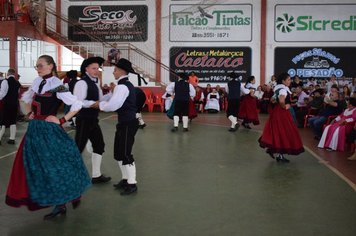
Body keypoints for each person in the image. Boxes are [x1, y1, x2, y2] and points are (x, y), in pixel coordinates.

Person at [5, 55, 91, 219]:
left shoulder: (57, 85)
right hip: (34, 129)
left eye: (40, 65)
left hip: (49, 130)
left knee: (53, 166)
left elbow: (77, 104)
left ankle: (61, 203)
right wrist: (29, 113)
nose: (38, 68)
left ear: (51, 66)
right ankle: (56, 202)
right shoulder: (37, 82)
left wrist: (62, 120)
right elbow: (25, 98)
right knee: (34, 167)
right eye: (36, 66)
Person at [93, 58, 140, 195]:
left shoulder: (122, 86)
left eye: (114, 70)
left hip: (128, 123)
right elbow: (115, 99)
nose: (113, 72)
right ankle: (126, 179)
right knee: (119, 153)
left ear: (121, 71)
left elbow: (114, 105)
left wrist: (99, 105)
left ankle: (132, 184)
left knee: (125, 153)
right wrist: (107, 97)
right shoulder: (123, 86)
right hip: (125, 122)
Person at [73, 57, 111, 184]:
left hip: (93, 119)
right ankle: (72, 175)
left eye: (97, 68)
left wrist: (112, 94)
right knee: (78, 147)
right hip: (83, 119)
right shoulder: (81, 83)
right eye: (94, 68)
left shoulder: (96, 82)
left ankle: (96, 175)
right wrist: (93, 104)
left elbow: (101, 99)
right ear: (86, 69)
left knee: (99, 145)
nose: (96, 71)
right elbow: (78, 102)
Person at [259, 72, 305, 163]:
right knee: (285, 132)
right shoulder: (283, 89)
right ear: (283, 81)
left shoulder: (278, 88)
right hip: (282, 112)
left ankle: (276, 151)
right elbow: (281, 99)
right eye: (288, 80)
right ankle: (278, 154)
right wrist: (284, 106)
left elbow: (272, 99)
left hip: (277, 112)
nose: (290, 81)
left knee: (279, 131)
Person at [0, 68, 21, 145]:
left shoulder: (5, 81)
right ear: (14, 74)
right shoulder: (17, 83)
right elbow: (17, 94)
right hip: (14, 104)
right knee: (13, 121)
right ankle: (12, 139)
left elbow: (2, 93)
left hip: (7, 104)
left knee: (3, 121)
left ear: (7, 74)